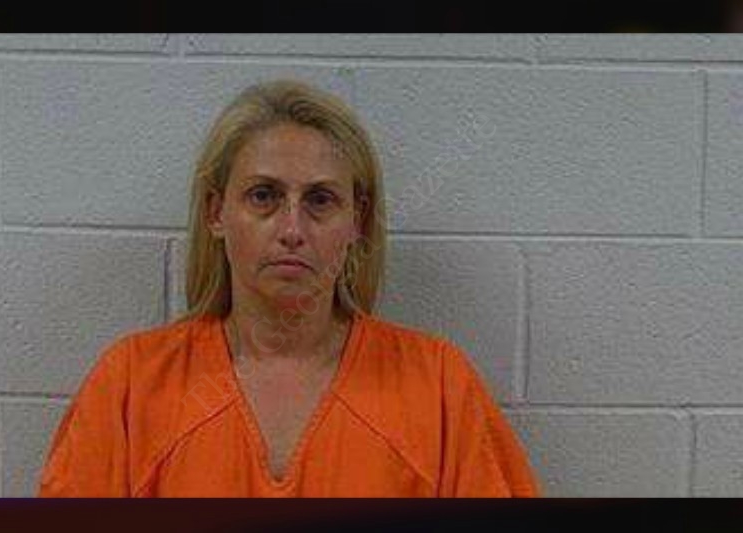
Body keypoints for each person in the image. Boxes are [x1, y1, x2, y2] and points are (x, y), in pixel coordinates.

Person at [37, 79, 540, 497]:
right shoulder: (130, 387)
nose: (292, 229)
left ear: (357, 221)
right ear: (216, 212)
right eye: (264, 196)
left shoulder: (439, 388)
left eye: (320, 200)